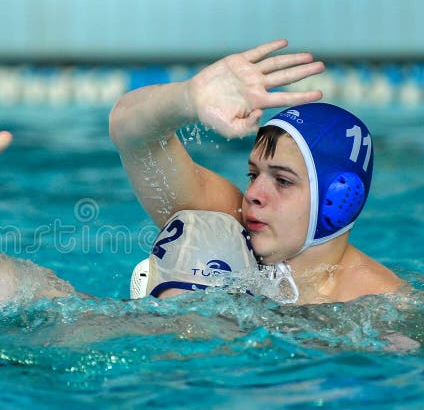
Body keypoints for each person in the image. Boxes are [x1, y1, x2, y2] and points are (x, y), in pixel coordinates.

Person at [108, 39, 402, 304]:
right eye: (253, 174)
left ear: (338, 201)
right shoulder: (232, 219)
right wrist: (188, 97)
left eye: (283, 181)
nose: (253, 195)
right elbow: (130, 133)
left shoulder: (383, 304)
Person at [0, 98, 257, 308]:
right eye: (177, 300)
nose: (190, 326)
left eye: (209, 306)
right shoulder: (101, 325)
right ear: (146, 294)